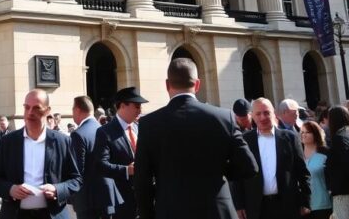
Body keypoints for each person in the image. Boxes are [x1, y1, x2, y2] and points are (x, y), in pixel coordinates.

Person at [135, 58, 257, 219]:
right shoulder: (224, 118)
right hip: (217, 210)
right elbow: (249, 167)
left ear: (167, 85)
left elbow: (142, 182)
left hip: (170, 211)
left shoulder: (149, 124)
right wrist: (218, 169)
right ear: (197, 84)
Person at [0, 89, 82, 219]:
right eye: (27, 107)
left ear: (48, 110)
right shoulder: (8, 142)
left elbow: (76, 180)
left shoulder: (63, 141)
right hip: (16, 214)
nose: (30, 112)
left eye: (36, 108)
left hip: (52, 214)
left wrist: (57, 189)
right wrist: (10, 189)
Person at [235, 98, 310, 219]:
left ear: (273, 113)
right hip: (256, 208)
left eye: (266, 112)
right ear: (252, 116)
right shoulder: (245, 140)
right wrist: (239, 205)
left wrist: (305, 201)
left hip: (287, 206)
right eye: (258, 114)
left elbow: (303, 172)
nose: (263, 117)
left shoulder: (290, 138)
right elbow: (237, 176)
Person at [94, 86, 149, 219]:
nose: (140, 110)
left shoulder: (139, 127)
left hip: (146, 198)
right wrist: (126, 170)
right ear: (123, 106)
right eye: (136, 106)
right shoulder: (105, 132)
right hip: (122, 201)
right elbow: (101, 166)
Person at [70, 95, 118, 219]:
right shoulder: (105, 129)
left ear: (77, 110)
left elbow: (77, 170)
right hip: (108, 195)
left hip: (88, 200)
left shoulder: (78, 134)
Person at [300, 120, 332, 219]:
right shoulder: (297, 155)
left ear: (315, 134)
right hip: (303, 208)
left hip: (323, 205)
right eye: (302, 132)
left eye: (307, 132)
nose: (304, 135)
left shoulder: (326, 154)